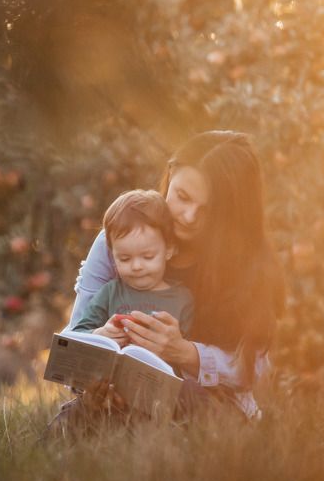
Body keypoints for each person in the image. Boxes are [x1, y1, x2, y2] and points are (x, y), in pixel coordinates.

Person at [60, 130, 284, 421]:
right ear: (170, 173)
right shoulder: (120, 241)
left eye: (207, 210)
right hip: (120, 400)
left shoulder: (244, 263)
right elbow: (68, 350)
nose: (189, 216)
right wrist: (98, 340)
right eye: (182, 197)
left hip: (210, 405)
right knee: (78, 418)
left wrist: (184, 352)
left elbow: (256, 370)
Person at [70, 189, 193, 340]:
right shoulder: (110, 293)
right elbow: (76, 334)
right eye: (124, 259)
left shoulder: (182, 299)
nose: (136, 266)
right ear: (112, 255)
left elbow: (187, 349)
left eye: (148, 257)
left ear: (168, 250)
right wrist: (99, 334)